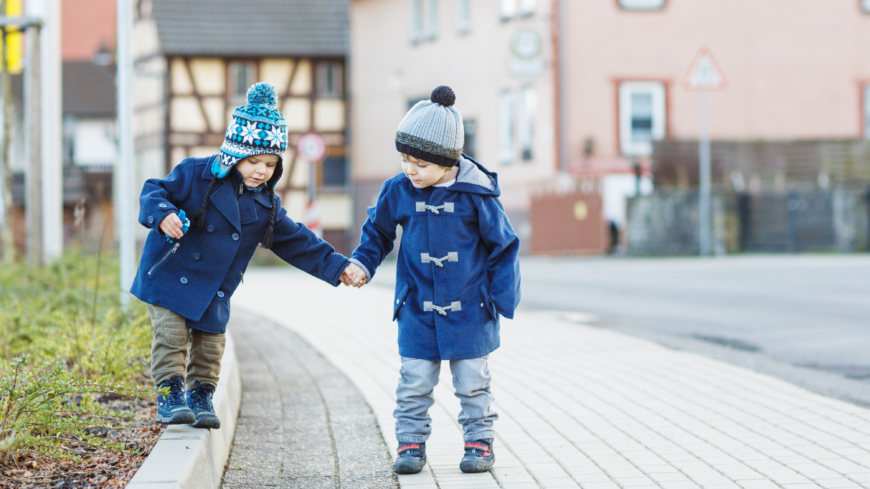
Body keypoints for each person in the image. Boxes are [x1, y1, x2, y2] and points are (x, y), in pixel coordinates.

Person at [131, 82, 363, 429]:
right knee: (172, 335)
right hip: (169, 272)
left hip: (215, 287)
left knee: (211, 345)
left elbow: (297, 241)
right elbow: (154, 190)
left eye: (270, 164)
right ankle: (170, 393)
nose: (261, 171)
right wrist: (163, 214)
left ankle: (201, 395)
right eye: (253, 161)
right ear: (233, 154)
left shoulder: (266, 205)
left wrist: (339, 266)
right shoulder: (196, 174)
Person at [344, 86, 521, 474]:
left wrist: (500, 298)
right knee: (414, 381)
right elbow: (377, 232)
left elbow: (504, 246)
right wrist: (362, 262)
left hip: (471, 307)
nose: (410, 170)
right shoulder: (399, 189)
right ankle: (410, 444)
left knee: (473, 382)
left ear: (446, 162)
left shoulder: (477, 194)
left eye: (420, 164)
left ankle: (479, 441)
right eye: (405, 160)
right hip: (418, 305)